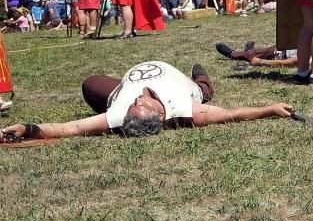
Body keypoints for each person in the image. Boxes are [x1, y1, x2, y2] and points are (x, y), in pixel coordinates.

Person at [0, 61, 294, 142]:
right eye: (143, 103)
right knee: (204, 89)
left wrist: (25, 128)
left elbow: (69, 128)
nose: (141, 96)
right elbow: (232, 114)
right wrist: (269, 108)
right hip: (185, 84)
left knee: (91, 82)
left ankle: (200, 76)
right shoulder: (186, 108)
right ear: (159, 116)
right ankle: (202, 76)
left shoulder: (118, 113)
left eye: (136, 103)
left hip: (117, 87)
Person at [215, 40, 313, 68]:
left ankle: (233, 53)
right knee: (259, 52)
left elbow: (287, 63)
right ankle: (249, 50)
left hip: (277, 55)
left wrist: (261, 62)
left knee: (253, 55)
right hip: (282, 46)